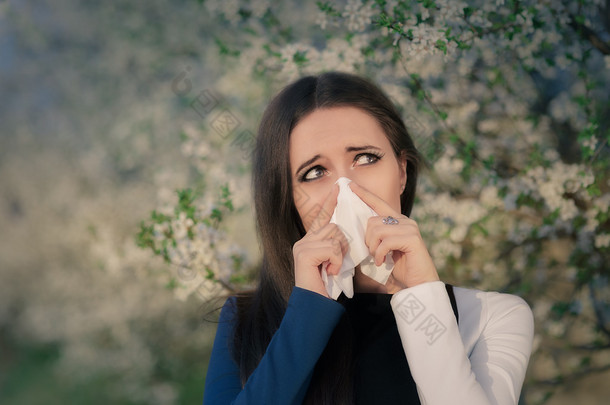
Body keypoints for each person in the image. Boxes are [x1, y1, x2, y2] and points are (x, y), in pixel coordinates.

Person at [202, 72, 534, 404]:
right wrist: (306, 313)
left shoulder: (492, 316)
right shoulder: (245, 323)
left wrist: (421, 294)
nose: (346, 189)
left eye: (365, 158)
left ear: (402, 172)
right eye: (315, 172)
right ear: (289, 200)